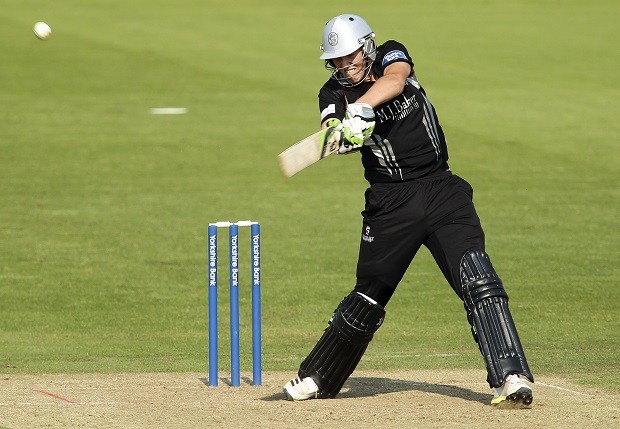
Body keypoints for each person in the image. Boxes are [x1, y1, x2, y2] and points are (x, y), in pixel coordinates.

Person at [283, 14, 534, 408]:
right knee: (369, 294)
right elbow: (330, 132)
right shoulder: (331, 92)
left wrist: (362, 107)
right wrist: (345, 131)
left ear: (367, 47)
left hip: (441, 190)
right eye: (337, 61)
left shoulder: (390, 54)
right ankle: (319, 376)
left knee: (477, 276)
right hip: (389, 204)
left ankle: (510, 376)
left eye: (351, 57)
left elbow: (397, 80)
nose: (345, 66)